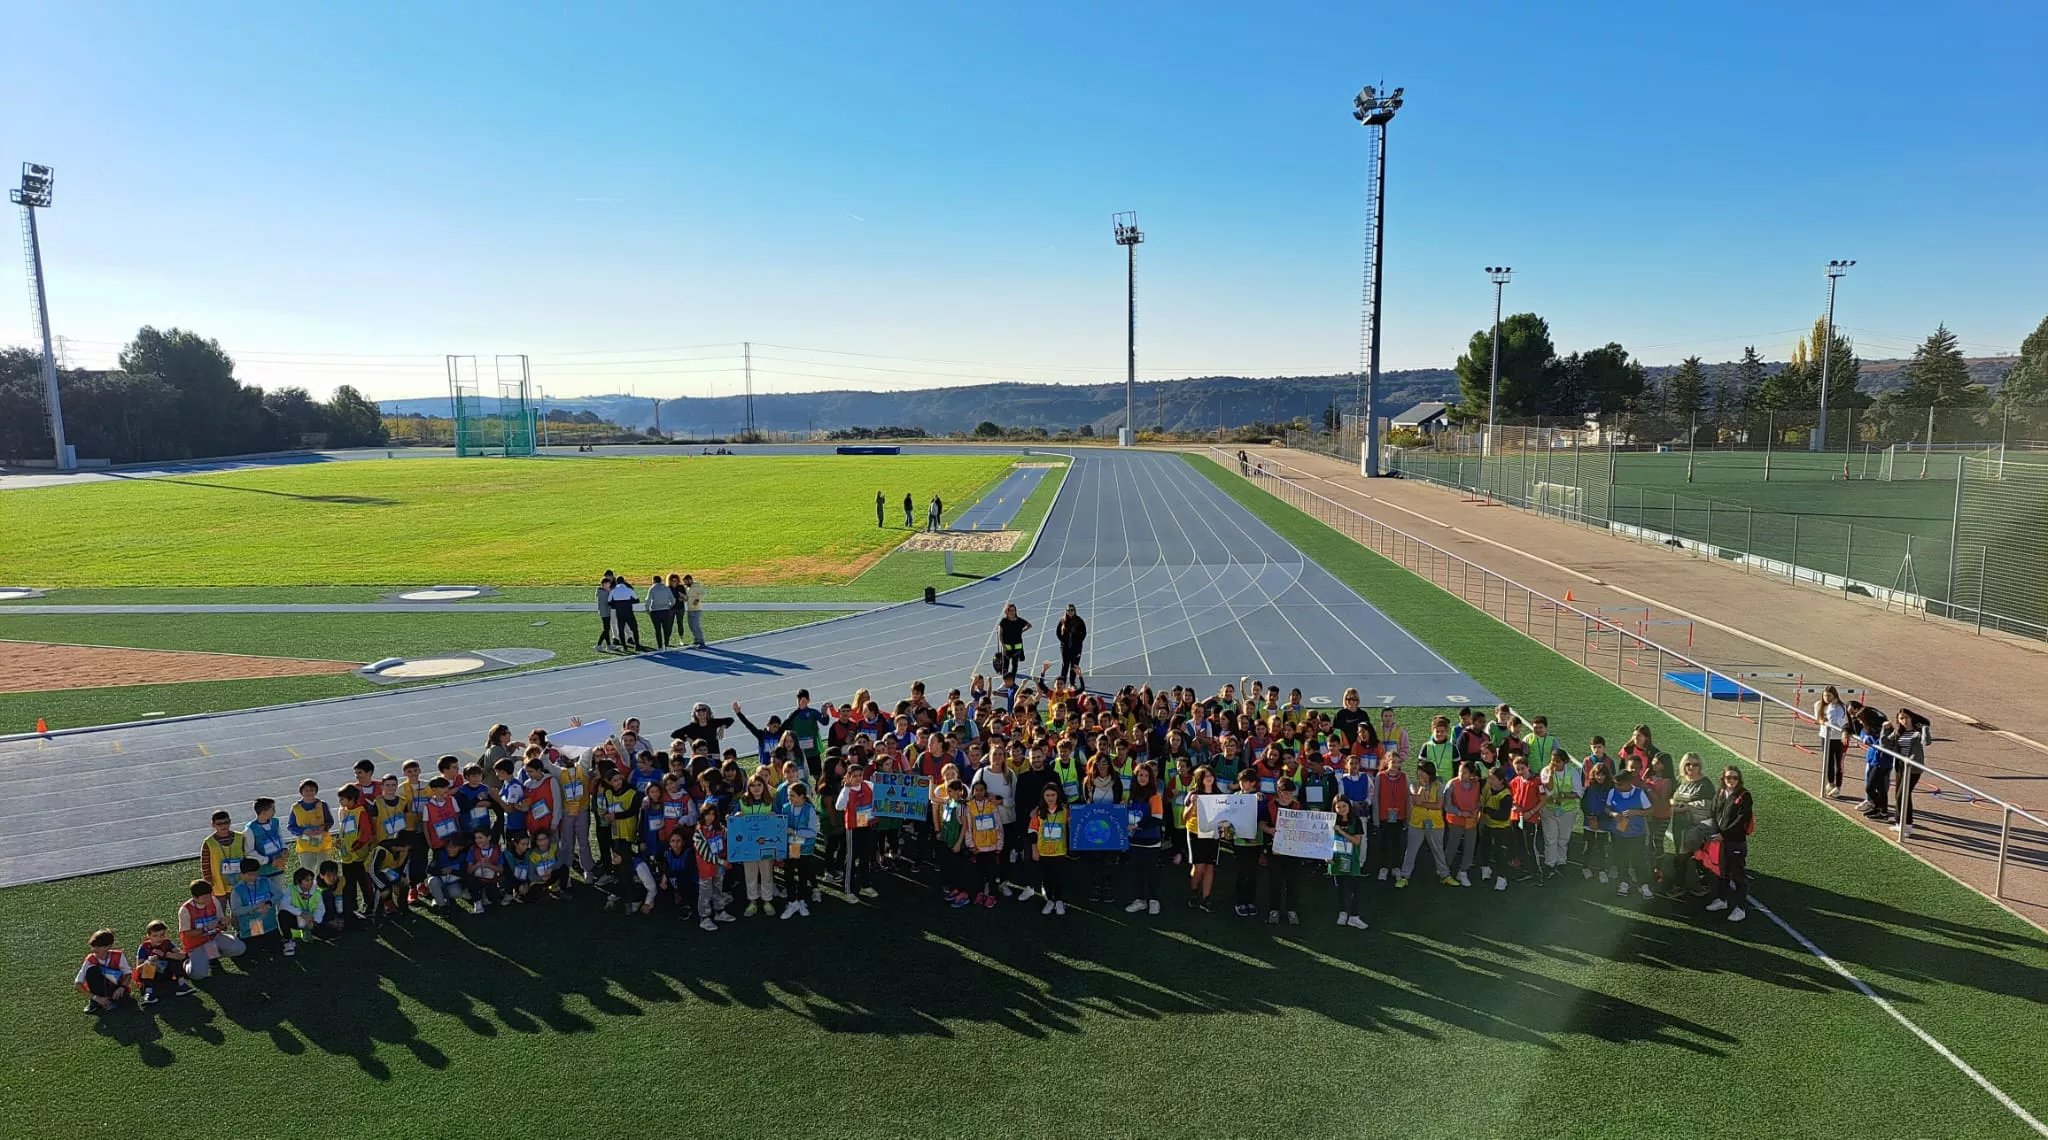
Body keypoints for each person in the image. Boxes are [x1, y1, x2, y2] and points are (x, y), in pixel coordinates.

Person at [1705, 766, 1754, 922]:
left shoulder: (1744, 796)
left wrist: (1723, 834)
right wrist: (1714, 832)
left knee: (1738, 875)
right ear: (1723, 779)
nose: (1731, 780)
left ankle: (1740, 908)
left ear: (1739, 780)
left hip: (1735, 842)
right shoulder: (1720, 793)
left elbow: (1742, 820)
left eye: (1734, 778)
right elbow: (1712, 812)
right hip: (1721, 841)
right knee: (1722, 872)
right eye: (1728, 778)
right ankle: (1722, 900)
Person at [1397, 759, 1452, 888]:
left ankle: (1445, 875)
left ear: (1430, 773)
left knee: (1438, 851)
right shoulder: (1413, 785)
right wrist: (1421, 787)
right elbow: (1416, 801)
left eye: (1424, 773)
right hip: (1416, 823)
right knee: (1410, 851)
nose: (1420, 775)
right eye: (1419, 772)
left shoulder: (1439, 786)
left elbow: (1439, 805)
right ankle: (1404, 876)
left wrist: (1424, 804)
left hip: (1435, 824)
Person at [1123, 763, 1166, 915]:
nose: (1143, 778)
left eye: (1146, 775)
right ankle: (1140, 900)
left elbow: (1157, 819)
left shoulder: (1155, 796)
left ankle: (1154, 900)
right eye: (1140, 775)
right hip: (1134, 841)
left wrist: (1137, 826)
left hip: (1151, 841)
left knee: (1151, 872)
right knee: (1137, 871)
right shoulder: (1131, 795)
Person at [1606, 766, 1654, 899]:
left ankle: (1643, 885)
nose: (1617, 786)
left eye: (1619, 784)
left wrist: (1636, 812)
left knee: (1638, 860)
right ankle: (1623, 882)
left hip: (1637, 834)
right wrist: (1613, 813)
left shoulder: (1639, 793)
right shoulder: (1612, 792)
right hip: (1618, 833)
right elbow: (1607, 808)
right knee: (1621, 859)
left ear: (1628, 783)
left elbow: (1650, 810)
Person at [1181, 766, 1222, 911]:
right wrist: (1193, 804)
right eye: (1205, 776)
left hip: (1213, 833)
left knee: (1210, 866)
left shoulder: (1219, 794)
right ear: (1199, 778)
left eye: (1211, 775)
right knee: (1198, 867)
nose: (1209, 778)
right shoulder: (1193, 794)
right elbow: (1184, 818)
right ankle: (1194, 892)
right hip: (1195, 832)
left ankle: (1206, 899)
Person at [1027, 783, 1070, 916]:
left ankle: (1059, 900)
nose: (1050, 798)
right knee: (1046, 877)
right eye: (1047, 795)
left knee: (1059, 877)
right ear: (1043, 797)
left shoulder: (1064, 810)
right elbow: (1032, 831)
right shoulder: (1038, 812)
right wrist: (1034, 849)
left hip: (1059, 851)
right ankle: (1050, 900)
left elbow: (1073, 825)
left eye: (1053, 795)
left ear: (1058, 796)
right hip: (1043, 851)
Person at [230, 857, 285, 958]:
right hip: (251, 926)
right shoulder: (237, 890)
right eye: (249, 875)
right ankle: (240, 937)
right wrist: (255, 907)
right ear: (242, 874)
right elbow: (236, 910)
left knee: (277, 949)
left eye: (255, 873)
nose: (253, 877)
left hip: (269, 925)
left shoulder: (265, 881)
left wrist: (269, 904)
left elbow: (279, 894)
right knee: (255, 953)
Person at [1330, 795, 1368, 928]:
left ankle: (1354, 916)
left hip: (1352, 859)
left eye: (1344, 806)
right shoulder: (1331, 821)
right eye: (1338, 807)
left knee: (1355, 889)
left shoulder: (1356, 821)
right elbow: (1325, 841)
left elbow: (1357, 841)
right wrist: (1325, 857)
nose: (1341, 809)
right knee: (1340, 888)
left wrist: (1341, 831)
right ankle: (1343, 913)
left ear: (1349, 806)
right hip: (1336, 859)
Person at [133, 921, 192, 1006]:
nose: (159, 938)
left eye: (162, 935)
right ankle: (149, 993)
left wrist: (165, 955)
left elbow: (182, 956)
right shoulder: (144, 947)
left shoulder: (167, 943)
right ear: (148, 936)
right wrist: (148, 962)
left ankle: (182, 984)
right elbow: (138, 969)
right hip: (153, 976)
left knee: (173, 958)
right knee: (149, 964)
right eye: (155, 936)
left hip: (166, 973)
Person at [76, 930, 133, 1014]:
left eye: (98, 946)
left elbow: (128, 974)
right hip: (98, 990)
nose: (94, 949)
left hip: (115, 987)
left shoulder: (118, 956)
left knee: (125, 1001)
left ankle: (110, 1000)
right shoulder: (90, 959)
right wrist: (95, 997)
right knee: (92, 970)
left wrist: (122, 988)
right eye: (93, 946)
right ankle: (95, 1002)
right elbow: (77, 984)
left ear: (108, 947)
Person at [1854, 707, 1892, 820]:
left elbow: (1882, 742)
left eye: (1861, 720)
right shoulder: (1870, 727)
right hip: (1874, 760)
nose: (1860, 723)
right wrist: (1866, 737)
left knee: (1870, 787)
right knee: (1880, 788)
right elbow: (1862, 732)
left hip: (1883, 762)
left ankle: (1882, 809)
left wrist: (1869, 739)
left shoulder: (1882, 727)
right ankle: (1880, 810)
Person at [1814, 685, 1849, 797]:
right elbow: (1818, 719)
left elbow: (1837, 722)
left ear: (1835, 695)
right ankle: (1830, 783)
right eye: (1825, 696)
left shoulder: (1841, 707)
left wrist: (1832, 711)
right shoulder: (1819, 705)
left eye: (1829, 696)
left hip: (1838, 738)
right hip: (1825, 736)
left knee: (1838, 763)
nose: (1826, 698)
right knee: (1828, 761)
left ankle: (1838, 787)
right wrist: (1824, 722)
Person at [1055, 604, 1087, 688]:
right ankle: (1062, 683)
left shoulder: (1079, 620)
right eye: (1068, 610)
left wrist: (1079, 642)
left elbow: (1084, 632)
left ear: (1074, 610)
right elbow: (1058, 632)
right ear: (1066, 611)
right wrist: (1063, 641)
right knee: (1065, 665)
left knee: (1074, 666)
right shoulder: (1062, 620)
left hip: (1076, 648)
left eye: (1072, 610)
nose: (1070, 612)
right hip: (1065, 647)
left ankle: (1072, 683)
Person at [608, 575, 643, 651]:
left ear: (616, 582)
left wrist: (617, 604)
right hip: (629, 612)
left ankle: (624, 647)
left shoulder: (613, 591)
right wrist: (628, 602)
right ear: (624, 581)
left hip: (620, 613)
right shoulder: (628, 590)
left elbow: (609, 602)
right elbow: (637, 600)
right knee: (634, 629)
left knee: (621, 630)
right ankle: (637, 645)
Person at [996, 603, 1031, 679]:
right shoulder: (1003, 621)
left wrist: (1021, 631)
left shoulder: (1019, 620)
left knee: (1015, 665)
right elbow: (1000, 634)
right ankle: (1005, 681)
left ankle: (1012, 680)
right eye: (1010, 610)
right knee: (1006, 665)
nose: (1012, 612)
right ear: (1007, 612)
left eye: (1013, 610)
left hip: (1017, 646)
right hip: (1007, 647)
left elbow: (1029, 625)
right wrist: (1003, 645)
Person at [647, 572, 677, 649]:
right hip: (666, 610)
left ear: (654, 581)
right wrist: (669, 606)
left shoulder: (652, 588)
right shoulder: (666, 588)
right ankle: (666, 644)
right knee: (666, 628)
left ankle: (660, 646)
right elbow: (673, 600)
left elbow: (648, 600)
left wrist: (648, 609)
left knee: (657, 630)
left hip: (655, 611)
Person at [682, 573, 708, 648]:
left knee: (696, 625)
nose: (685, 583)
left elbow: (703, 594)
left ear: (690, 580)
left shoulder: (697, 586)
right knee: (691, 626)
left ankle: (701, 641)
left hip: (696, 609)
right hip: (690, 609)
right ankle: (696, 639)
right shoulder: (687, 588)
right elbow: (687, 598)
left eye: (686, 581)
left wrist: (697, 599)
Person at [595, 571, 617, 649]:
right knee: (606, 629)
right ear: (604, 584)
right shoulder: (601, 592)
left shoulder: (606, 591)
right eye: (607, 584)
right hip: (605, 612)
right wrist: (609, 593)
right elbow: (607, 602)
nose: (609, 585)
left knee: (606, 629)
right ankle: (598, 644)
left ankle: (608, 645)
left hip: (607, 612)